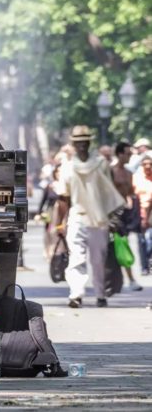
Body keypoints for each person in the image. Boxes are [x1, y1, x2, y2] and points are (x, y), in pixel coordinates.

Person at [55, 125, 124, 308]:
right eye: (78, 142)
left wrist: (112, 217)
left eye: (85, 142)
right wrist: (60, 223)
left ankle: (100, 294)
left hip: (99, 219)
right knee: (76, 258)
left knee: (98, 260)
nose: (82, 145)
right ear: (73, 144)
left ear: (89, 142)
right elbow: (64, 197)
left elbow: (109, 192)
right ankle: (75, 294)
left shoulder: (101, 163)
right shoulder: (68, 167)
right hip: (77, 216)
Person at [111, 142, 142, 290]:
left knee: (122, 244)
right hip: (112, 213)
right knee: (118, 245)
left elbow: (130, 193)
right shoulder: (111, 171)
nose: (130, 156)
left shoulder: (129, 173)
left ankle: (125, 279)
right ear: (119, 154)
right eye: (127, 153)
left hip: (125, 213)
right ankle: (126, 279)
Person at [134, 154, 152, 275]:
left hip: (151, 211)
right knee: (141, 240)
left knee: (150, 239)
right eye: (145, 164)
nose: (148, 166)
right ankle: (144, 266)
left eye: (150, 164)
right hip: (139, 211)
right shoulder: (136, 178)